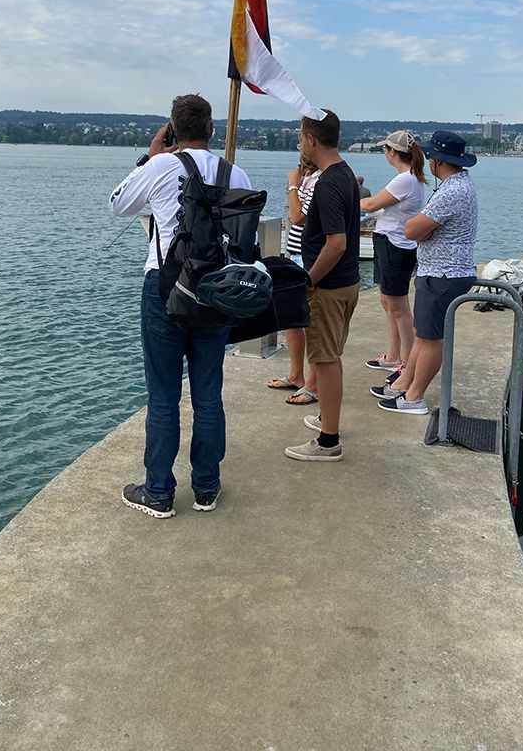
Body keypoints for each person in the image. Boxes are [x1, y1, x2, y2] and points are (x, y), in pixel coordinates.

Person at [109, 93, 254, 517]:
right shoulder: (235, 173)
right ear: (211, 129)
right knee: (208, 394)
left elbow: (117, 204)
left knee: (163, 396)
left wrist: (150, 156)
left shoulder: (159, 166)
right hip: (216, 290)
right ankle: (206, 487)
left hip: (164, 290)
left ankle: (159, 491)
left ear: (173, 129)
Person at [376, 130, 478, 415]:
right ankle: (404, 384)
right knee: (422, 335)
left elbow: (411, 229)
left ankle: (414, 397)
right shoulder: (459, 184)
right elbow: (421, 228)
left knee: (432, 339)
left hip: (444, 274)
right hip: (440, 271)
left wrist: (421, 230)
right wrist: (423, 230)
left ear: (438, 161)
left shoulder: (452, 192)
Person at [285, 109, 360, 462]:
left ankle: (329, 441)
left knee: (326, 360)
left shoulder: (328, 183)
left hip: (328, 287)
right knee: (332, 356)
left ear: (311, 139)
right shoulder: (345, 174)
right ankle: (326, 418)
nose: (301, 143)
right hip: (347, 282)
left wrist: (308, 280)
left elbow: (337, 243)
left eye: (302, 137)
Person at [360, 131, 427, 373]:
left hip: (394, 246)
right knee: (388, 301)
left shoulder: (405, 180)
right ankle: (393, 355)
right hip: (389, 243)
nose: (385, 153)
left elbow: (370, 204)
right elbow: (385, 208)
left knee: (399, 307)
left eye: (385, 149)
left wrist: (345, 201)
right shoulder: (410, 178)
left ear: (393, 152)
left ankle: (407, 364)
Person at [267, 155, 320, 405]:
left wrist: (292, 186)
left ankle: (313, 384)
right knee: (291, 317)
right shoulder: (307, 178)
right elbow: (294, 213)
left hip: (307, 256)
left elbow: (298, 216)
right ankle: (296, 374)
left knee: (312, 321)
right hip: (295, 253)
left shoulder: (318, 180)